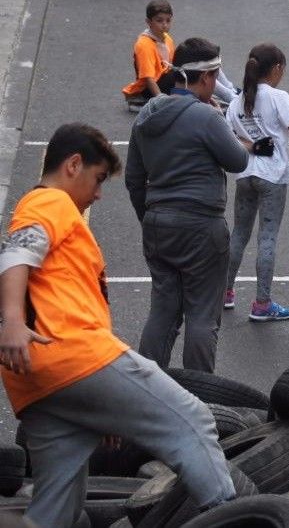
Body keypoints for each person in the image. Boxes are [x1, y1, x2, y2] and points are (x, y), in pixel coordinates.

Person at [0, 123, 235, 527]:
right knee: (193, 421)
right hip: (73, 356)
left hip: (35, 381)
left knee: (56, 507)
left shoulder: (48, 212)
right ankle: (244, 519)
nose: (97, 193)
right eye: (96, 179)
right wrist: (12, 322)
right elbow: (15, 255)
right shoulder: (50, 202)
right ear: (73, 165)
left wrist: (106, 410)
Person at [126, 37, 251, 373]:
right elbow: (238, 160)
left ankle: (149, 392)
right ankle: (201, 397)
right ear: (207, 77)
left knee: (163, 311)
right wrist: (222, 121)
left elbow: (133, 180)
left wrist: (150, 217)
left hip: (157, 223)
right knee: (201, 315)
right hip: (201, 226)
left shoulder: (146, 117)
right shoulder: (206, 117)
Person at [223, 44, 289, 321]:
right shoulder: (277, 97)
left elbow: (228, 138)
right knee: (267, 237)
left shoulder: (237, 102)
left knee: (239, 233)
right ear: (276, 69)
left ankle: (224, 293)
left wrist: (250, 145)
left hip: (246, 175)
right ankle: (262, 303)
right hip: (272, 176)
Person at [121, 0, 174, 110]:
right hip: (148, 88)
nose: (165, 25)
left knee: (196, 62)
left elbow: (173, 64)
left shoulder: (167, 38)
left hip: (164, 79)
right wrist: (161, 100)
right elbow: (148, 78)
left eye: (168, 20)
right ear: (149, 22)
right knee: (181, 76)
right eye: (159, 21)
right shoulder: (144, 44)